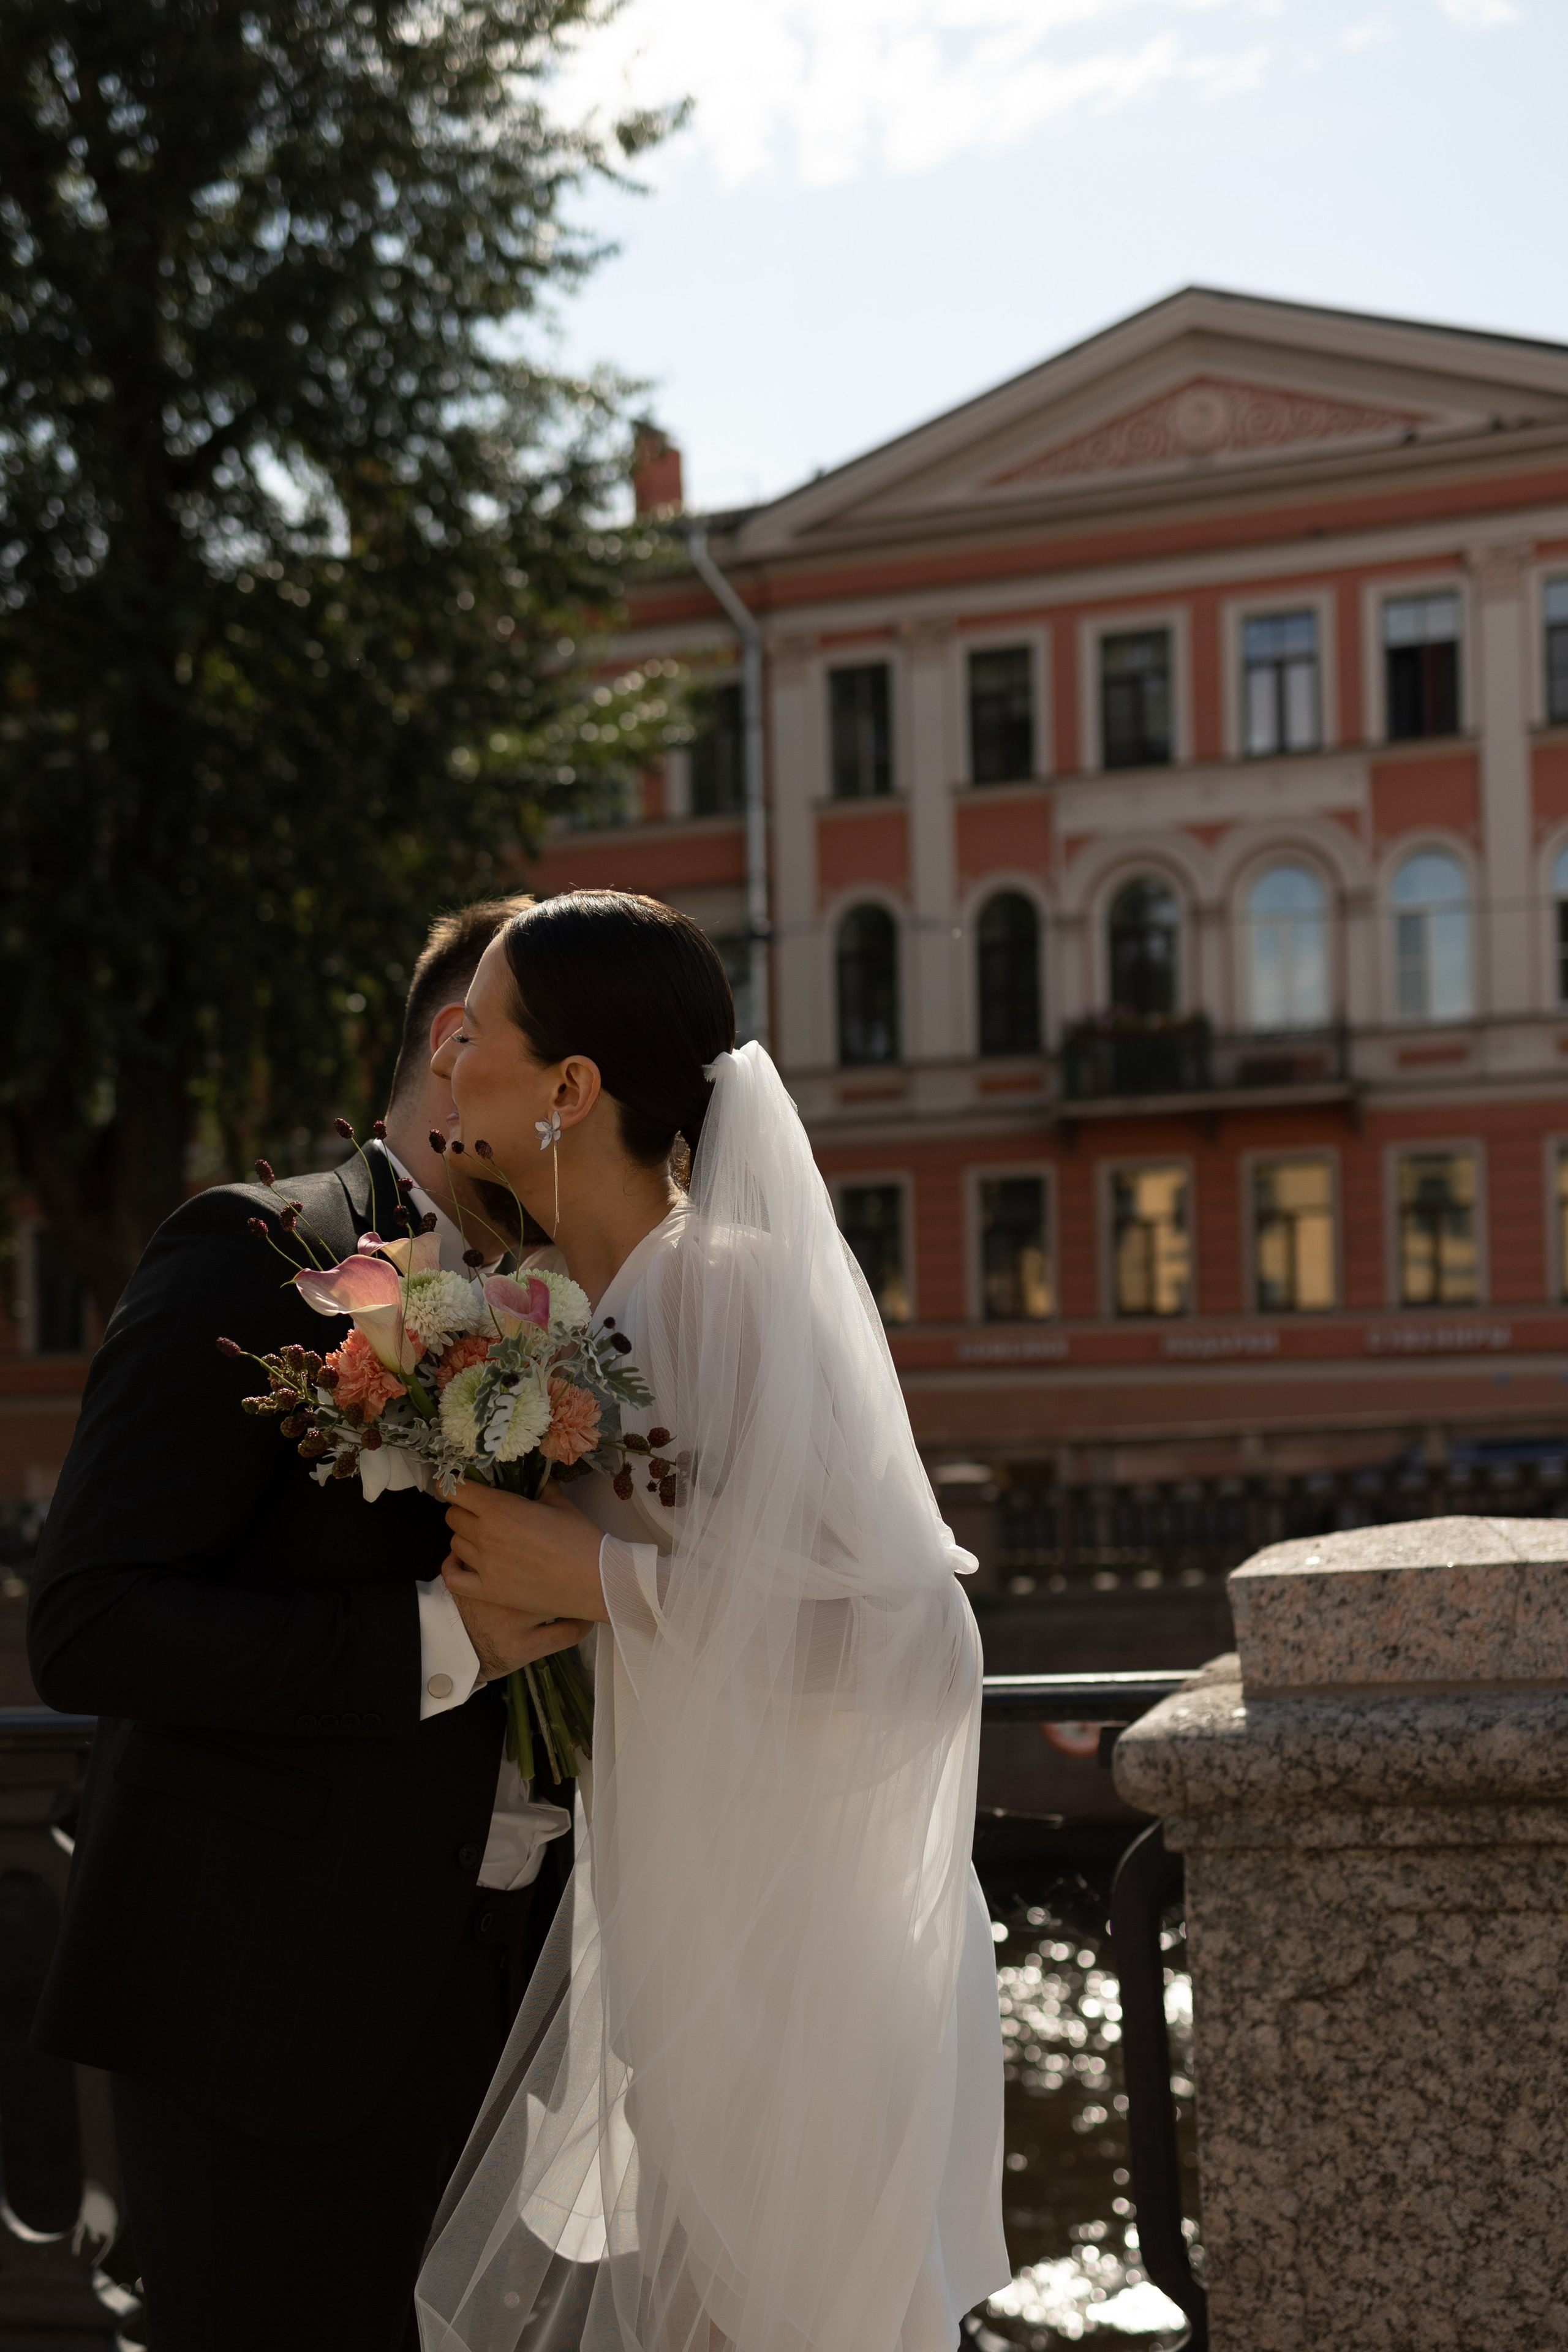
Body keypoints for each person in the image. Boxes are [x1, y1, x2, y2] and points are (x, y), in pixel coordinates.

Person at [413, 890, 1009, 2352]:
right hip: (678, 1927)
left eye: (474, 1024)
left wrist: (595, 1581)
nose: (445, 1047)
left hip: (791, 1959)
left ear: (568, 1089)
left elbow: (916, 1648)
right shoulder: (568, 1310)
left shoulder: (719, 1294)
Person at [26, 892, 586, 2352]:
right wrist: (437, 1638)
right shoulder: (249, 1255)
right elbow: (88, 1624)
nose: (607, 1122)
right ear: (465, 1052)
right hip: (269, 2017)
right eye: (584, 1081)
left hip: (527, 1999)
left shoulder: (591, 1314)